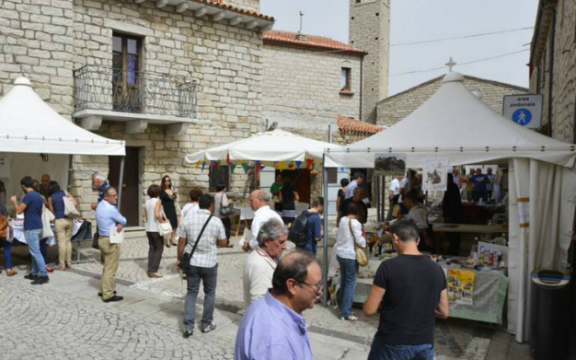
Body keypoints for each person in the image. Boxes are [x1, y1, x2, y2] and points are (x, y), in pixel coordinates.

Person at [363, 219, 449, 360]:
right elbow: (444, 312)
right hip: (425, 343)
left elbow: (369, 309)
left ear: (395, 238)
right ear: (418, 240)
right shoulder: (436, 269)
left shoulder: (388, 267)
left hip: (393, 341)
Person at [234, 251, 321, 360]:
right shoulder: (276, 343)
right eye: (316, 285)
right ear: (292, 286)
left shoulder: (262, 305)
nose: (320, 291)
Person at [177, 194, 227, 338]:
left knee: (191, 292)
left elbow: (181, 242)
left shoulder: (188, 220)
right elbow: (223, 242)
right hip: (209, 262)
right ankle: (206, 323)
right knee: (210, 293)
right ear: (211, 205)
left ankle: (188, 326)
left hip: (192, 262)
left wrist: (179, 259)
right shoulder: (216, 221)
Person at [10, 176, 49, 285]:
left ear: (23, 186)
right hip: (38, 225)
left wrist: (14, 201)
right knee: (34, 251)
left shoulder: (28, 196)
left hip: (31, 227)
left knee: (36, 252)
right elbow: (40, 211)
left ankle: (43, 275)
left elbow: (18, 210)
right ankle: (33, 272)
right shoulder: (38, 196)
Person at [243, 218, 287, 308]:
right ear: (267, 241)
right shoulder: (260, 265)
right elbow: (258, 303)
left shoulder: (261, 256)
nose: (284, 247)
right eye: (281, 242)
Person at [335, 202, 366, 321]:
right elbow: (360, 241)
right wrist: (364, 240)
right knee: (350, 284)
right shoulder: (356, 223)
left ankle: (342, 307)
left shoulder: (343, 220)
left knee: (344, 282)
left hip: (340, 253)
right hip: (350, 255)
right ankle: (346, 312)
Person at [95, 187, 127, 302]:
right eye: (113, 195)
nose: (116, 197)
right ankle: (108, 294)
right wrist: (119, 223)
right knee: (111, 269)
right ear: (106, 197)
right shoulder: (111, 209)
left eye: (116, 195)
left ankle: (102, 289)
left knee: (106, 266)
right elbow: (123, 220)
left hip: (102, 238)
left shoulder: (100, 205)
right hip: (110, 240)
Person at [48, 180, 79, 271]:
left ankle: (62, 264)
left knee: (61, 242)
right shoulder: (65, 192)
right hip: (69, 219)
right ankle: (68, 262)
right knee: (68, 241)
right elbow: (76, 203)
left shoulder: (50, 198)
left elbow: (51, 212)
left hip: (60, 220)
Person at [145, 184, 165, 278]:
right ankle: (153, 270)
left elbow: (146, 216)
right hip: (156, 228)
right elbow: (157, 215)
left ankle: (150, 268)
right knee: (159, 249)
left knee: (152, 248)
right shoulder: (158, 201)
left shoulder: (147, 202)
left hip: (148, 228)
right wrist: (162, 222)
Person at [442, 174, 464, 256]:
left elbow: (452, 203)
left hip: (453, 216)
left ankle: (454, 250)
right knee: (452, 235)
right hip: (452, 215)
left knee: (454, 234)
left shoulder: (452, 187)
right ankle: (452, 249)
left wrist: (448, 215)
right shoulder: (450, 187)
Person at [0, 180, 17, 277]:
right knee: (7, 245)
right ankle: (9, 268)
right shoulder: (1, 193)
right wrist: (8, 216)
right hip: (1, 221)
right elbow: (2, 207)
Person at [160, 175, 178, 247]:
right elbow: (160, 202)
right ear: (163, 182)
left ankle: (172, 239)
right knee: (167, 225)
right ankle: (167, 240)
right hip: (165, 209)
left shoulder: (172, 189)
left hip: (172, 209)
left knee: (175, 225)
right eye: (166, 181)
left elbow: (173, 199)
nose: (167, 182)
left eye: (168, 180)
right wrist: (162, 212)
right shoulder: (162, 191)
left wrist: (175, 193)